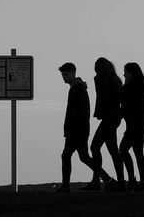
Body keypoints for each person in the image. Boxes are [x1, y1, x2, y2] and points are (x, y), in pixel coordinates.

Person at [57, 62, 110, 192]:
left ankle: (65, 186)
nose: (64, 77)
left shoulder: (77, 89)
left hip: (76, 130)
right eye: (63, 74)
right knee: (83, 157)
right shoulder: (78, 87)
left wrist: (70, 130)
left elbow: (77, 112)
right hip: (80, 130)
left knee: (67, 155)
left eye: (66, 74)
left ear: (73, 73)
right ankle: (107, 179)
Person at [85, 57, 124, 191]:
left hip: (109, 118)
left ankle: (100, 181)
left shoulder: (104, 80)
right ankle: (119, 181)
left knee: (96, 147)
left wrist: (99, 112)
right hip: (114, 118)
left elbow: (104, 99)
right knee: (112, 150)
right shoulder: (116, 80)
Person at [118, 62, 144, 192]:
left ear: (131, 73)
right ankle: (143, 181)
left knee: (123, 150)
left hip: (133, 125)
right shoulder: (141, 87)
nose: (124, 74)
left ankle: (132, 180)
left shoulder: (129, 88)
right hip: (142, 123)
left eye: (125, 71)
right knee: (138, 152)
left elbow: (125, 107)